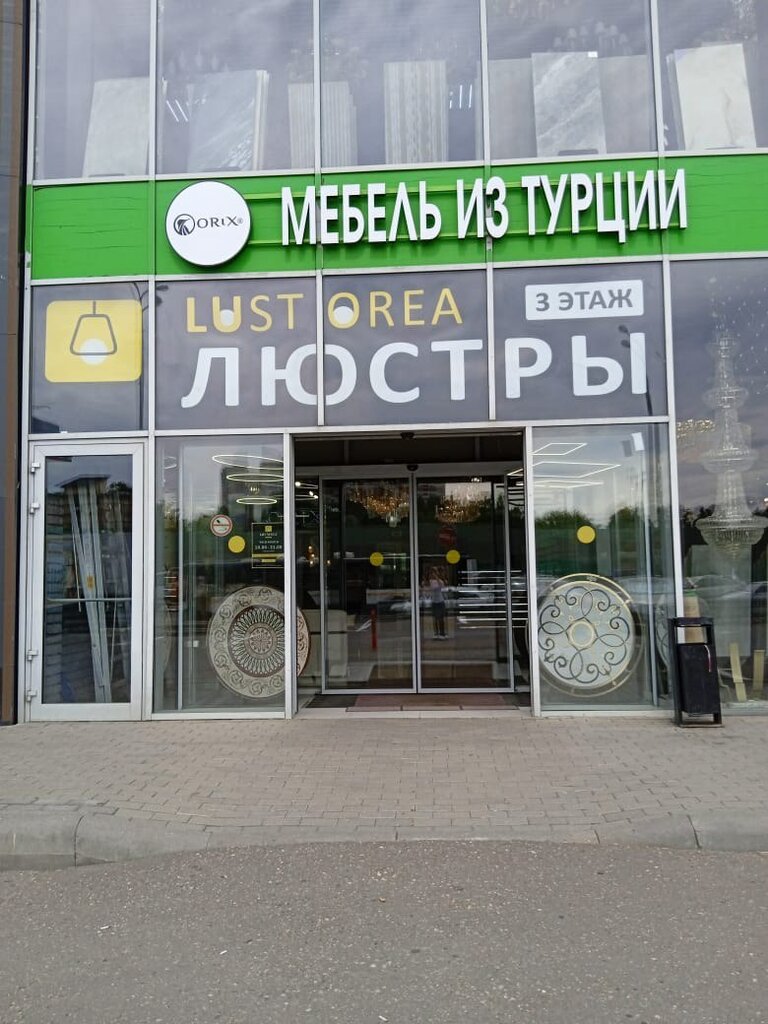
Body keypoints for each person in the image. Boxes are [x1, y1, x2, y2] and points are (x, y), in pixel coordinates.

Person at [428, 568, 447, 639]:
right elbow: (432, 588)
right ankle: (436, 633)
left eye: (435, 573)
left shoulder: (440, 581)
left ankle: (442, 633)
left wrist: (437, 578)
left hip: (440, 601)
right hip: (434, 601)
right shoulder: (431, 581)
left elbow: (441, 586)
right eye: (432, 573)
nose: (433, 575)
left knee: (441, 618)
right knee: (435, 618)